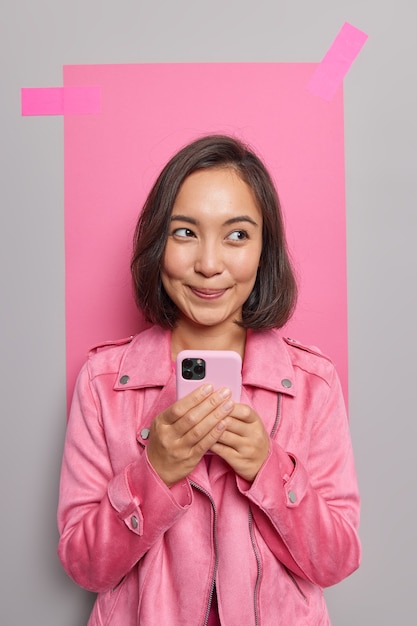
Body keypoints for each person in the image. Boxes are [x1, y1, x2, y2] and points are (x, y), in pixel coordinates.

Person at [57, 134, 361, 625]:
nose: (210, 264)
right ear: (159, 243)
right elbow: (83, 565)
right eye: (185, 233)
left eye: (237, 235)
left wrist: (269, 468)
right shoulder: (102, 383)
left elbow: (337, 560)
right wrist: (153, 473)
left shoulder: (313, 384)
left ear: (265, 249)